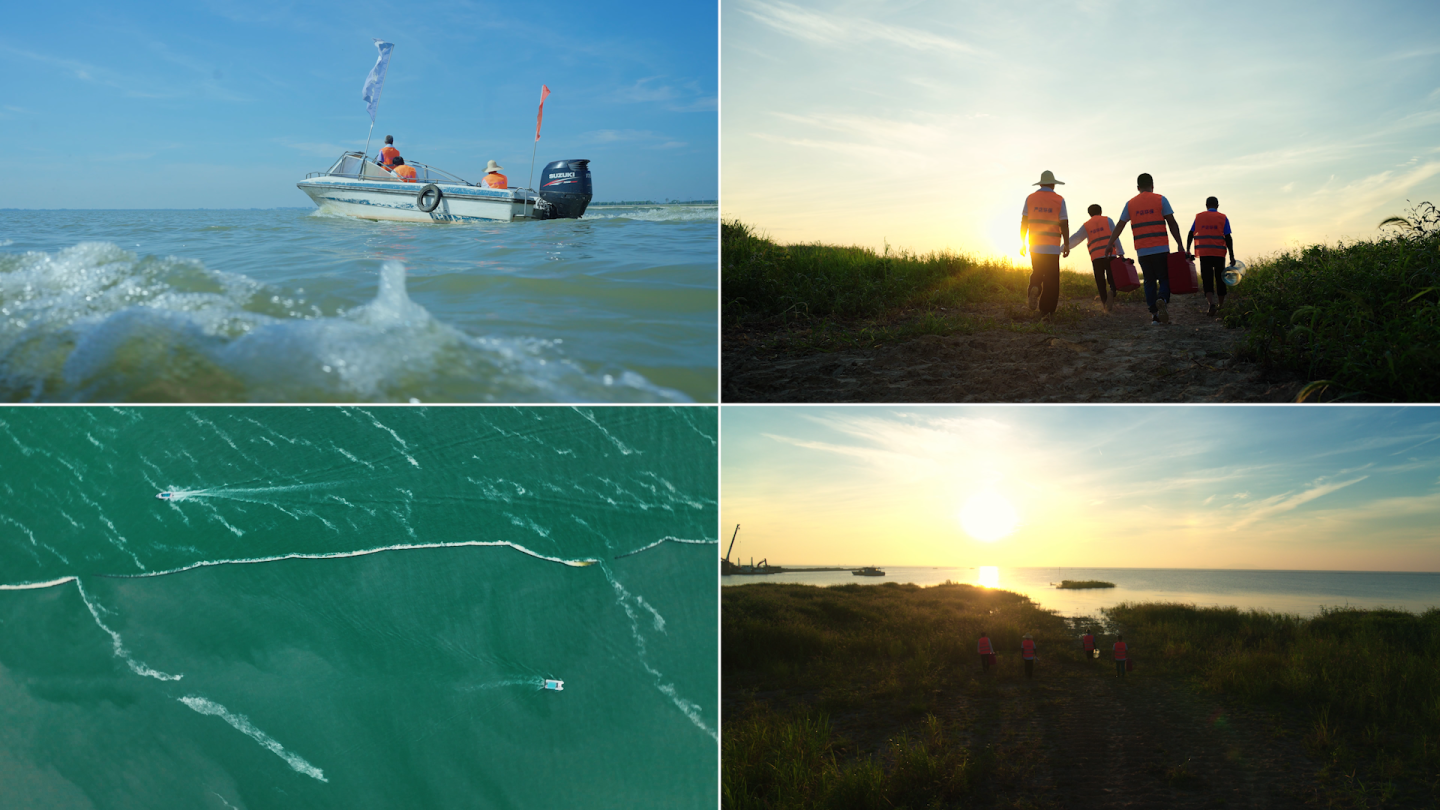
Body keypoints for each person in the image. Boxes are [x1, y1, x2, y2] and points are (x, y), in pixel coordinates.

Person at [1107, 173, 1188, 325]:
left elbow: (1120, 225)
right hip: (1161, 248)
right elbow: (1172, 223)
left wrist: (1110, 243)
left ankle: (1154, 315)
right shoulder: (1161, 199)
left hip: (1143, 251)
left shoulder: (1130, 204)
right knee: (1164, 278)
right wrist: (1180, 244)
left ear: (1138, 188)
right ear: (1152, 185)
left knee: (1149, 281)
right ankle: (1162, 298)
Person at [1020, 170, 1070, 319]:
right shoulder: (1059, 200)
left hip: (1035, 245)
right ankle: (1046, 310)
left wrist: (1022, 242)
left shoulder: (1030, 198)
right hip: (1053, 246)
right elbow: (1064, 223)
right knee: (1051, 279)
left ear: (1040, 184)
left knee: (1037, 270)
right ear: (1053, 184)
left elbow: (1024, 223)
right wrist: (1066, 244)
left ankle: (1034, 287)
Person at [1067, 204, 1126, 312]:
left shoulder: (1086, 225)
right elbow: (1115, 236)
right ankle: (1112, 291)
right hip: (1110, 254)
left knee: (1100, 280)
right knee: (1112, 276)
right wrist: (1120, 252)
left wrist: (1063, 248)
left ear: (1089, 214)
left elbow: (1076, 237)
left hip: (1096, 256)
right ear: (1101, 211)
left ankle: (1105, 303)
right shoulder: (1108, 220)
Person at [1186, 196, 1236, 316]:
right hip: (1219, 253)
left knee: (1207, 279)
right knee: (1220, 279)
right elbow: (1228, 237)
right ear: (1217, 206)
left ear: (1206, 205)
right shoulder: (1223, 217)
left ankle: (1211, 304)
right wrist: (1232, 256)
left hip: (1204, 253)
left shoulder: (1199, 217)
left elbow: (1190, 233)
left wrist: (1187, 250)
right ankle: (1221, 305)